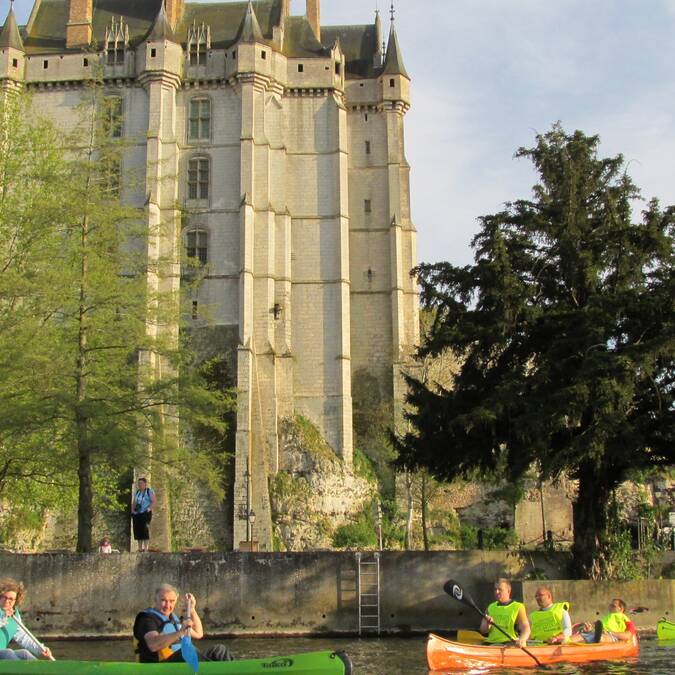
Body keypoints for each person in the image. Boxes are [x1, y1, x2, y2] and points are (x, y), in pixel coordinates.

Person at [133, 583, 233, 663]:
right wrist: (180, 632)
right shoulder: (146, 619)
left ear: (175, 602)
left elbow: (199, 634)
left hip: (180, 663)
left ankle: (231, 670)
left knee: (220, 650)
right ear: (155, 600)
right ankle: (217, 670)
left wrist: (192, 610)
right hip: (159, 668)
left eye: (171, 601)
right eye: (163, 600)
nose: (168, 605)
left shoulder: (173, 618)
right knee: (188, 651)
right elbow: (153, 645)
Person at [0, 578, 53, 661]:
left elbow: (23, 637)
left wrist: (40, 649)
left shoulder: (15, 615)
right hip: (4, 653)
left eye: (11, 599)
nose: (7, 601)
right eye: (4, 597)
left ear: (15, 601)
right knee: (8, 653)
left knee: (24, 653)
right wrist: (4, 618)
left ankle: (42, 671)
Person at [479, 578, 530, 648]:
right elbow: (483, 630)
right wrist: (487, 624)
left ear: (508, 591)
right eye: (495, 589)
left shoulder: (518, 607)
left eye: (500, 589)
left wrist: (522, 639)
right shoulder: (490, 607)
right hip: (490, 643)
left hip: (508, 643)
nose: (496, 592)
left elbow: (525, 628)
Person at [569, 598, 636, 643]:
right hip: (597, 634)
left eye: (613, 606)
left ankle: (598, 639)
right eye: (610, 605)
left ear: (621, 608)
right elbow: (598, 628)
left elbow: (628, 635)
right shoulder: (605, 618)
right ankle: (565, 643)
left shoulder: (627, 621)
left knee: (603, 637)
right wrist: (589, 630)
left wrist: (610, 633)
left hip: (612, 637)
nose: (610, 607)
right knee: (580, 636)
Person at [131, 477, 157, 552]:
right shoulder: (137, 492)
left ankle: (146, 548)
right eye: (139, 484)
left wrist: (148, 509)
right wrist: (133, 511)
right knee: (138, 531)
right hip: (137, 514)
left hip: (145, 513)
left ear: (145, 484)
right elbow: (134, 502)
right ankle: (140, 548)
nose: (140, 485)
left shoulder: (149, 491)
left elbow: (154, 501)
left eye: (141, 483)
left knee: (145, 530)